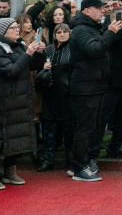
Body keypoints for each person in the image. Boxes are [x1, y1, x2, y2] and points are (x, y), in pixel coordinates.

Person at [68, 0, 122, 182]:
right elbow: (95, 49)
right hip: (86, 86)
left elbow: (109, 42)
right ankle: (79, 167)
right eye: (99, 9)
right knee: (84, 128)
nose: (102, 12)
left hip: (94, 84)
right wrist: (109, 32)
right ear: (87, 10)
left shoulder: (91, 28)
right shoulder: (82, 30)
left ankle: (81, 163)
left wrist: (120, 28)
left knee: (89, 127)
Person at [0, 17, 46, 190]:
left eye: (17, 27)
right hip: (2, 100)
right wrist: (28, 54)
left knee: (18, 136)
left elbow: (33, 66)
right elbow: (12, 71)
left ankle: (10, 171)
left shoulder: (18, 45)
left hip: (20, 99)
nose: (17, 29)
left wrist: (39, 52)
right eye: (13, 27)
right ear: (3, 31)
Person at [36, 23, 74, 172]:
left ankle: (71, 160)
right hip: (50, 93)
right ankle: (47, 159)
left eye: (65, 31)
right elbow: (38, 68)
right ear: (55, 34)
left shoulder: (73, 49)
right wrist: (44, 68)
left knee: (69, 130)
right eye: (59, 32)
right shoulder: (49, 49)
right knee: (48, 130)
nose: (62, 34)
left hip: (68, 94)